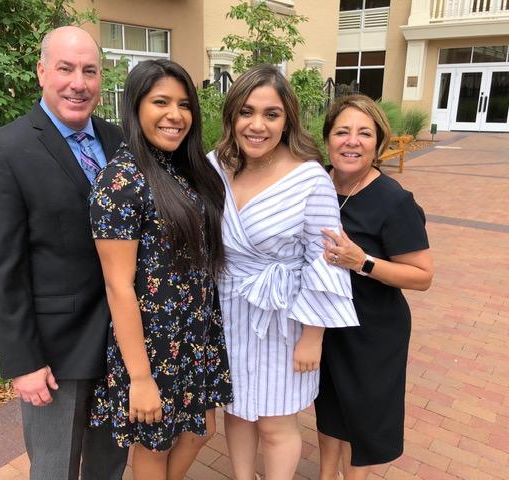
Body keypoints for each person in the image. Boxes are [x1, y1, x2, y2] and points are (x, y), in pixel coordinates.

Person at [0, 26, 128, 480]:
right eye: (65, 68)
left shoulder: (118, 140)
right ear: (42, 72)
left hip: (122, 343)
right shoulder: (3, 151)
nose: (78, 82)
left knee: (109, 463)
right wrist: (23, 363)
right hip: (55, 355)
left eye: (89, 71)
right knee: (55, 468)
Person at [207, 64, 359, 480]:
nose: (257, 125)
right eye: (246, 112)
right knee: (236, 410)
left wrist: (313, 336)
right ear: (232, 116)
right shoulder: (214, 167)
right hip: (230, 308)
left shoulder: (310, 178)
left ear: (287, 119)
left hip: (286, 315)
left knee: (276, 420)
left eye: (271, 114)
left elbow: (325, 259)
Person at [87, 59, 233, 480]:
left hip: (194, 333)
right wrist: (141, 378)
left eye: (184, 104)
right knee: (155, 443)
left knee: (200, 429)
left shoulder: (184, 168)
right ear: (135, 107)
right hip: (152, 345)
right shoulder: (121, 182)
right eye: (161, 102)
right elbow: (118, 286)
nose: (175, 115)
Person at [315, 94, 434, 480]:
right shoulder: (317, 184)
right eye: (342, 131)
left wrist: (362, 261)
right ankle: (325, 474)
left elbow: (422, 276)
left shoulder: (393, 200)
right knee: (329, 407)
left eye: (364, 133)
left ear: (379, 142)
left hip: (372, 329)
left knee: (361, 419)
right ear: (328, 138)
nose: (352, 141)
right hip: (325, 322)